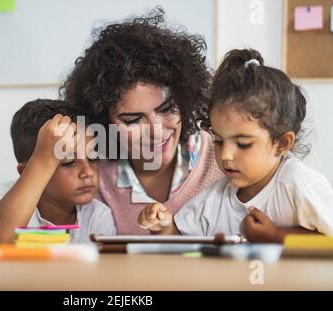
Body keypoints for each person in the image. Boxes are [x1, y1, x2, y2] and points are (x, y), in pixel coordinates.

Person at [138, 49, 333, 242]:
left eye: (243, 144)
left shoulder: (299, 186)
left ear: (281, 143)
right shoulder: (213, 199)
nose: (226, 155)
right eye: (219, 141)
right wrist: (164, 229)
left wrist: (276, 236)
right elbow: (181, 244)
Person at [61, 7, 223, 234]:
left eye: (167, 109)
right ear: (105, 122)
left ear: (184, 100)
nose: (156, 131)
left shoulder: (224, 154)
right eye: (133, 120)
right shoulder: (91, 176)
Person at [0, 99, 116, 243]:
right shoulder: (8, 195)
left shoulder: (97, 216)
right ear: (26, 171)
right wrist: (41, 160)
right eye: (69, 162)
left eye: (93, 158)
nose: (88, 172)